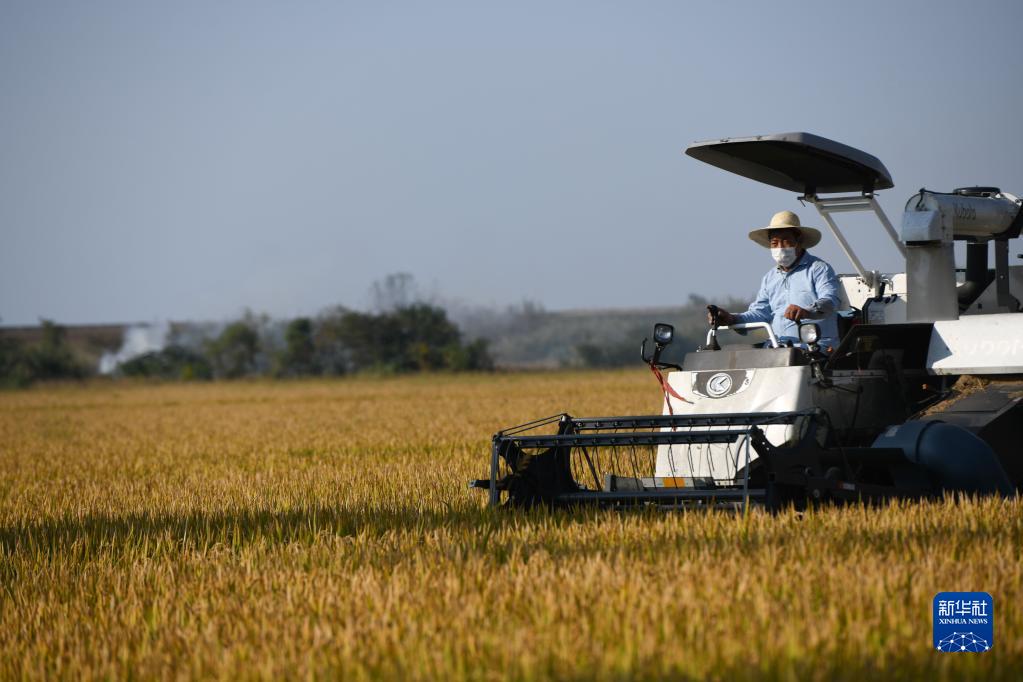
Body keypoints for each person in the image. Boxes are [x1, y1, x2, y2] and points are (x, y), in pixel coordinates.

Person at [710, 210, 842, 351]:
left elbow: (830, 300)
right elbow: (761, 313)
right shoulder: (770, 277)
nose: (780, 248)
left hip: (815, 347)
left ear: (799, 242)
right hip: (778, 347)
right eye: (775, 243)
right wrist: (731, 319)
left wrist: (807, 311)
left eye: (786, 241)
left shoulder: (818, 269)